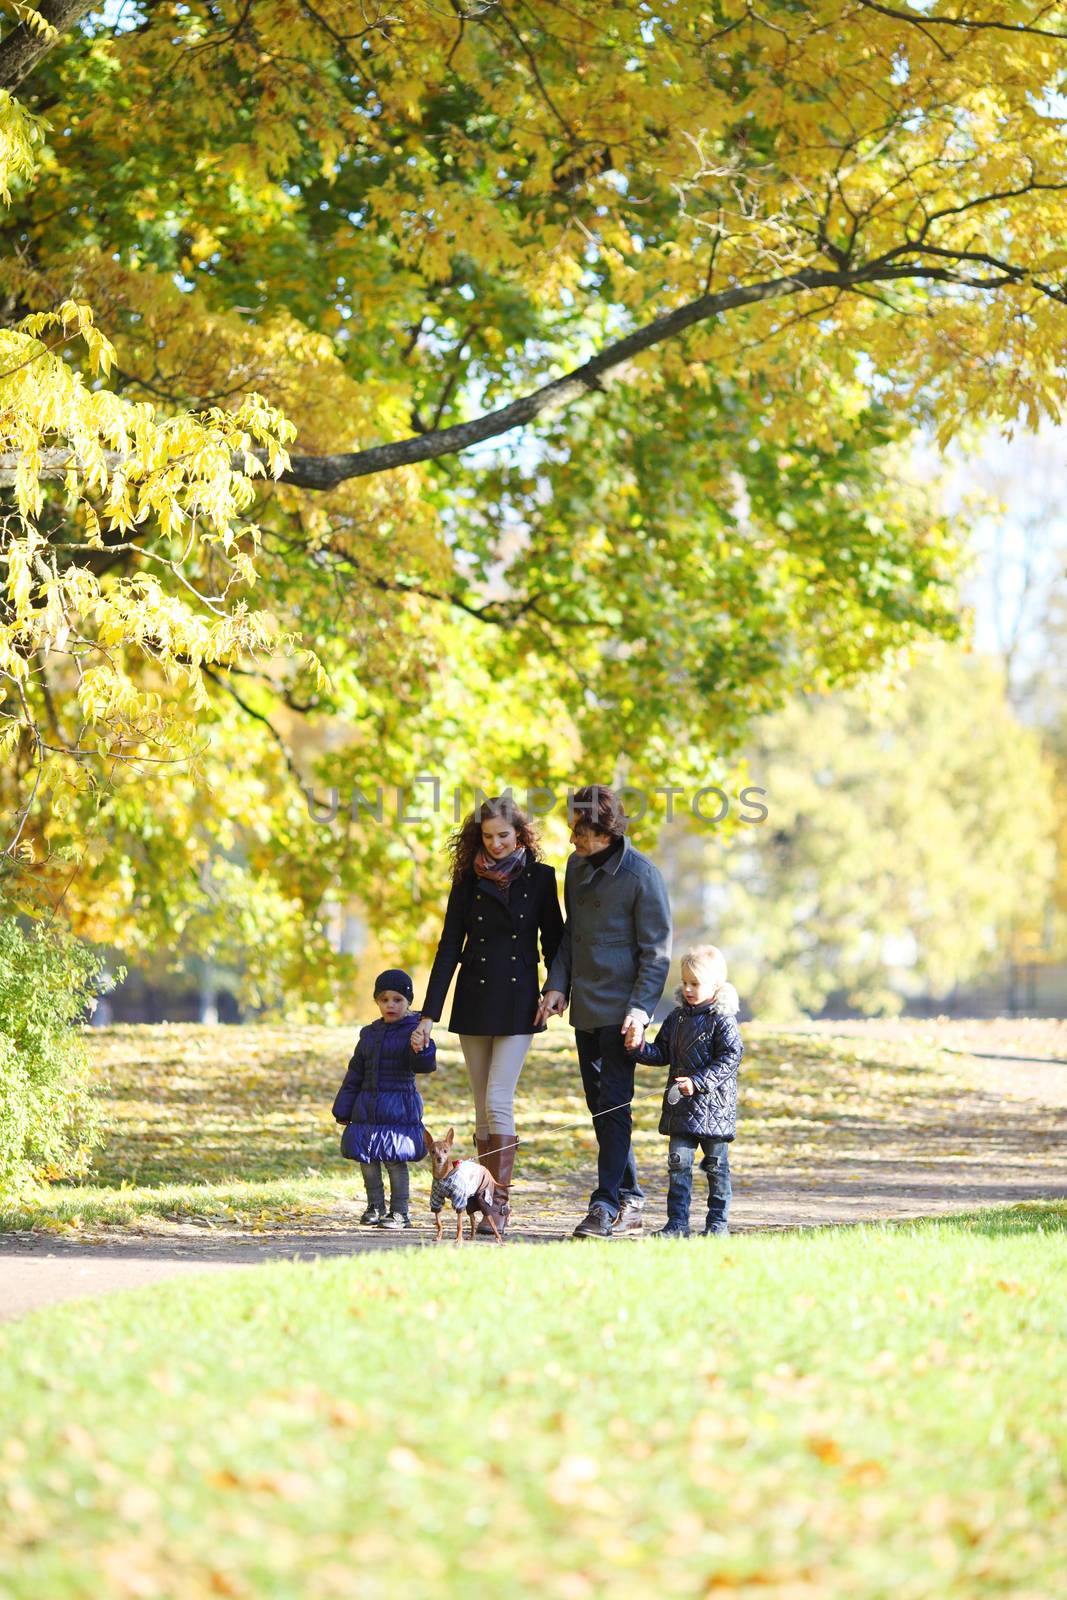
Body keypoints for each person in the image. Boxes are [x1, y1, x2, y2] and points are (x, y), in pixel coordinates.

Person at [411, 796, 564, 1237]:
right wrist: (428, 1015)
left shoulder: (541, 879)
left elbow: (553, 942)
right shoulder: (466, 881)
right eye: (488, 837)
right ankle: (481, 1203)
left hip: (520, 1004)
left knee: (499, 1100)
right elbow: (447, 951)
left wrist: (557, 988)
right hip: (474, 1002)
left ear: (521, 835)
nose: (496, 844)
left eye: (504, 835)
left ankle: (499, 1203)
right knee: (482, 1110)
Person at [536, 785, 672, 1240]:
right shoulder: (575, 867)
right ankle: (631, 1200)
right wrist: (557, 985)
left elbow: (656, 954)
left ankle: (605, 1203)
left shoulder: (641, 876)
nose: (573, 839)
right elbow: (572, 934)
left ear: (604, 831)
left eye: (581, 831)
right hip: (586, 1010)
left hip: (623, 1012)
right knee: (601, 1109)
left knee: (613, 1105)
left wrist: (639, 1010)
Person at [631, 944, 743, 1238]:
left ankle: (717, 1225)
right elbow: (661, 1053)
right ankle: (677, 1224)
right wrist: (639, 1047)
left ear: (716, 985)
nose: (689, 989)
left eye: (696, 984)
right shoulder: (677, 1019)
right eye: (685, 983)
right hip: (682, 1110)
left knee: (716, 1168)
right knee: (678, 1165)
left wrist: (698, 1082)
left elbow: (731, 1057)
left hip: (714, 1111)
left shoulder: (723, 1020)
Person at [332, 967, 436, 1230]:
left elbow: (424, 1064)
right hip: (367, 1107)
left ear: (408, 1001)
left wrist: (420, 1048)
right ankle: (375, 1206)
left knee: (394, 1158)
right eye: (384, 999)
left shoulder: (415, 1029)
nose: (390, 1005)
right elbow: (356, 1071)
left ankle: (400, 1212)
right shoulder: (370, 1033)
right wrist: (344, 1106)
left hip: (398, 1107)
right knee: (366, 1158)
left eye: (397, 1000)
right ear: (377, 1001)